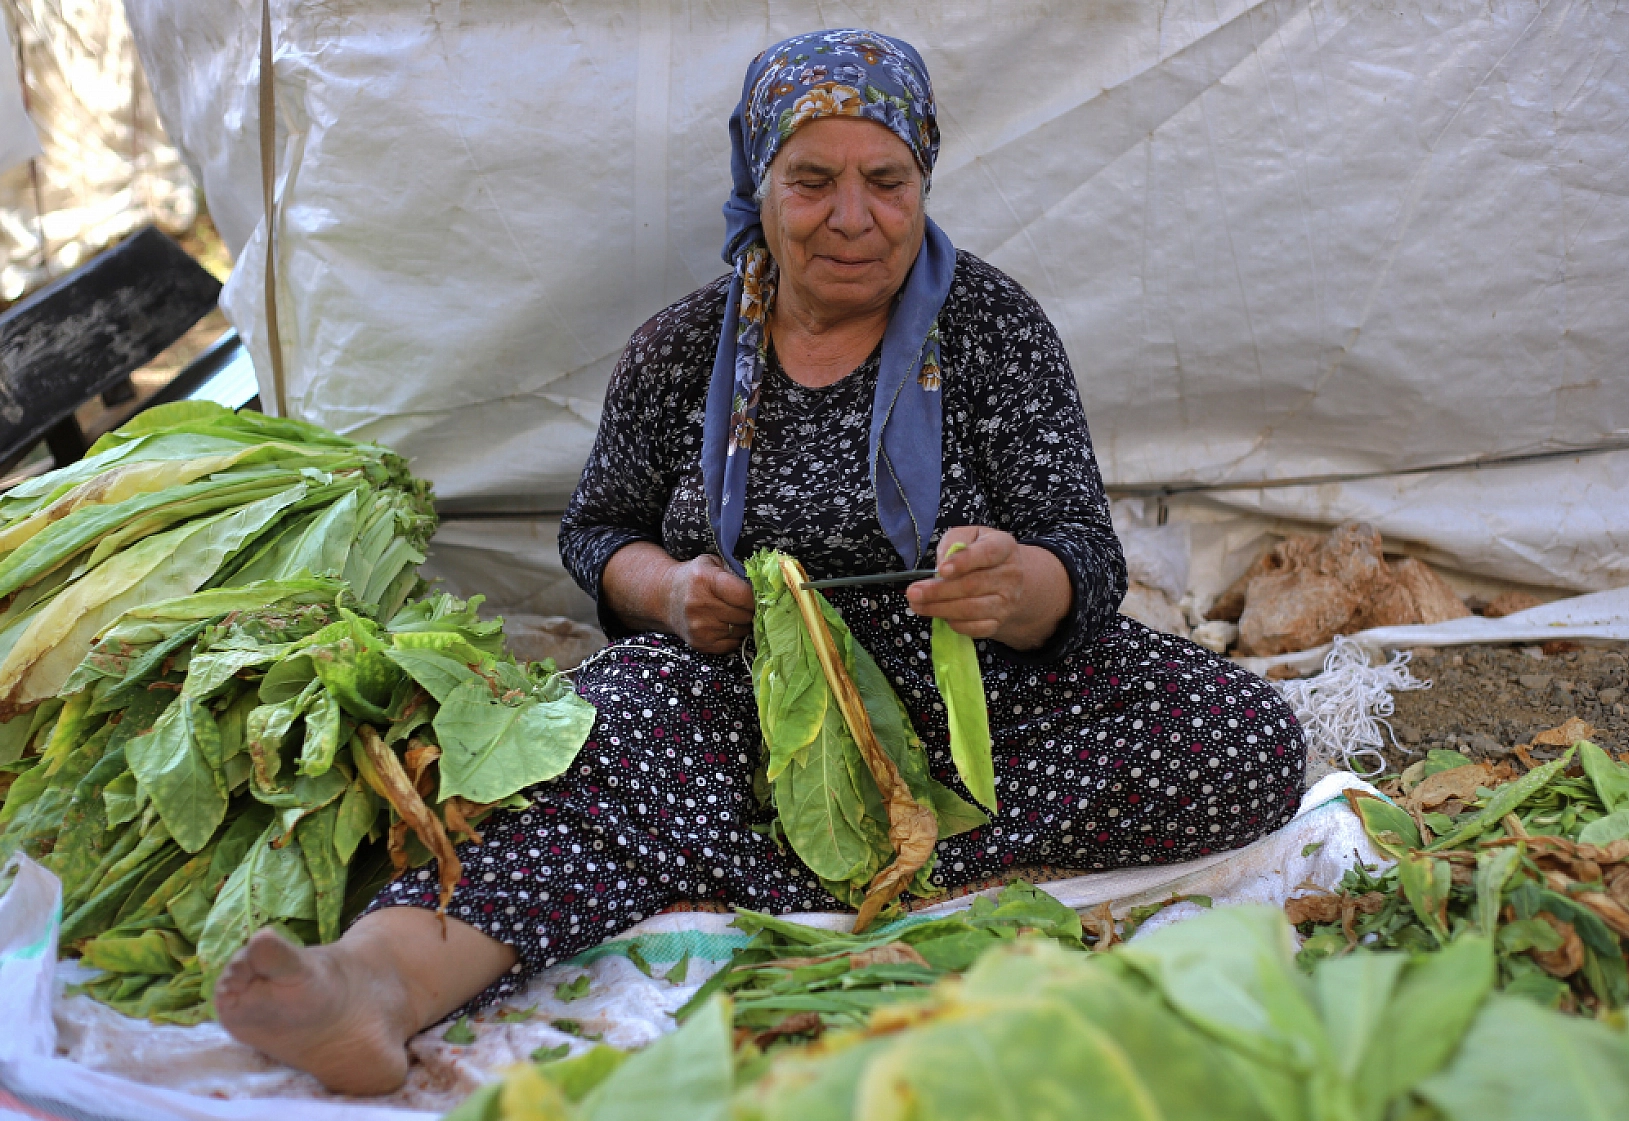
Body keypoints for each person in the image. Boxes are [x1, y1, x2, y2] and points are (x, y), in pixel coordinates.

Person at [214, 28, 1307, 1095]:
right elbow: (596, 532)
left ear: (923, 179)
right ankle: (374, 983)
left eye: (886, 181)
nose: (852, 217)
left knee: (1239, 736)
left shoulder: (991, 330)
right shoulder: (681, 349)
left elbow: (1083, 552)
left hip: (983, 703)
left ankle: (766, 851)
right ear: (759, 181)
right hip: (747, 708)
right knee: (596, 740)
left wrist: (1022, 588)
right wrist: (670, 591)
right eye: (812, 181)